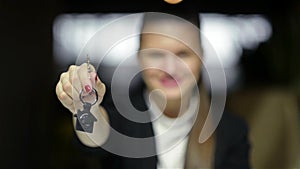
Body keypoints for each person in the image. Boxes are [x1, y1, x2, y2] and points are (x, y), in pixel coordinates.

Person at [56, 11, 250, 169]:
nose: (170, 69)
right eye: (156, 55)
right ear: (139, 58)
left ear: (201, 57)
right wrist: (84, 109)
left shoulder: (231, 131)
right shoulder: (123, 118)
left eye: (183, 54)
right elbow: (95, 136)